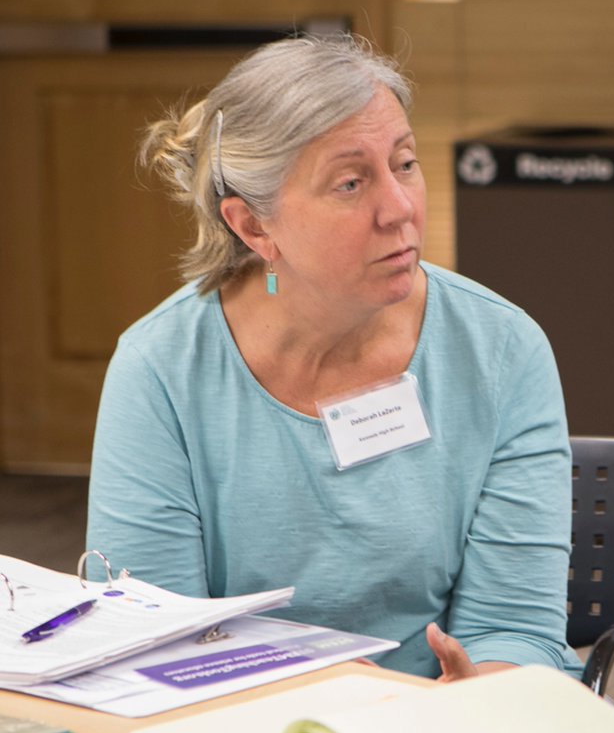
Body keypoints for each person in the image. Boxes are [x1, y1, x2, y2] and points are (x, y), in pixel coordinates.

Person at [86, 33, 582, 682]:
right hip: (236, 720)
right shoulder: (162, 370)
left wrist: (476, 695)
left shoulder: (501, 351)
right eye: (351, 183)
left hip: (438, 718)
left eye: (404, 163)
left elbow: (512, 626)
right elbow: (153, 639)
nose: (400, 208)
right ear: (253, 226)